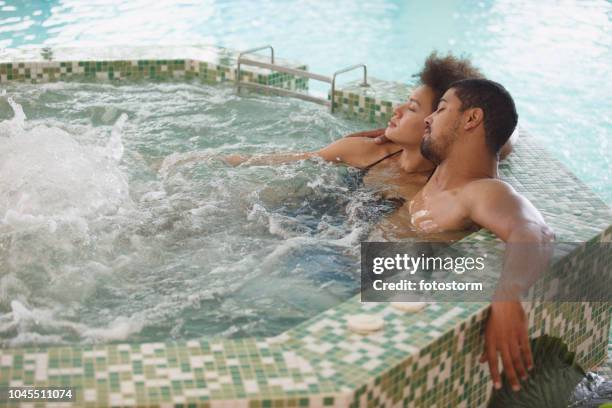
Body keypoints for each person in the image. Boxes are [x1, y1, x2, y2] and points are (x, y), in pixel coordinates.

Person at [409, 78, 554, 392]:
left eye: (442, 109)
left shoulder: (480, 192)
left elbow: (534, 231)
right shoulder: (440, 176)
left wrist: (508, 293)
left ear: (472, 119)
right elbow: (506, 135)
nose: (428, 118)